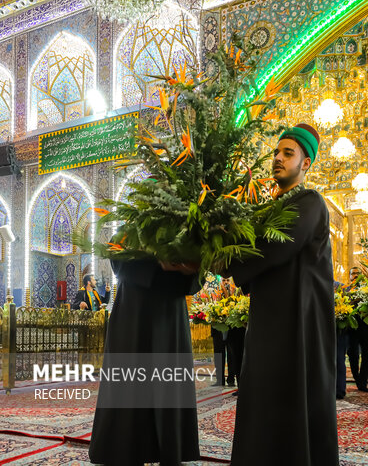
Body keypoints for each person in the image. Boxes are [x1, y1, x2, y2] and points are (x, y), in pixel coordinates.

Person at [226, 123, 339, 466]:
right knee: (263, 396)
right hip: (268, 318)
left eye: (288, 153)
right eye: (277, 152)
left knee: (294, 397)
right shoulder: (268, 208)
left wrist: (228, 257)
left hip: (298, 322)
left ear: (305, 164)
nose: (278, 158)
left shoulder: (311, 201)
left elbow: (277, 246)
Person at [89, 259, 201, 464]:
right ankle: (126, 446)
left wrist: (192, 267)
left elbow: (196, 273)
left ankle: (170, 447)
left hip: (169, 306)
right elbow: (118, 259)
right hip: (135, 306)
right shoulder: (125, 235)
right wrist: (159, 261)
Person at [346, 266, 368, 392]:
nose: (356, 275)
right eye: (353, 273)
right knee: (353, 355)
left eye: (358, 273)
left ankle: (363, 382)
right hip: (352, 329)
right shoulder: (346, 290)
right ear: (350, 276)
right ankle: (357, 379)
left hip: (367, 328)